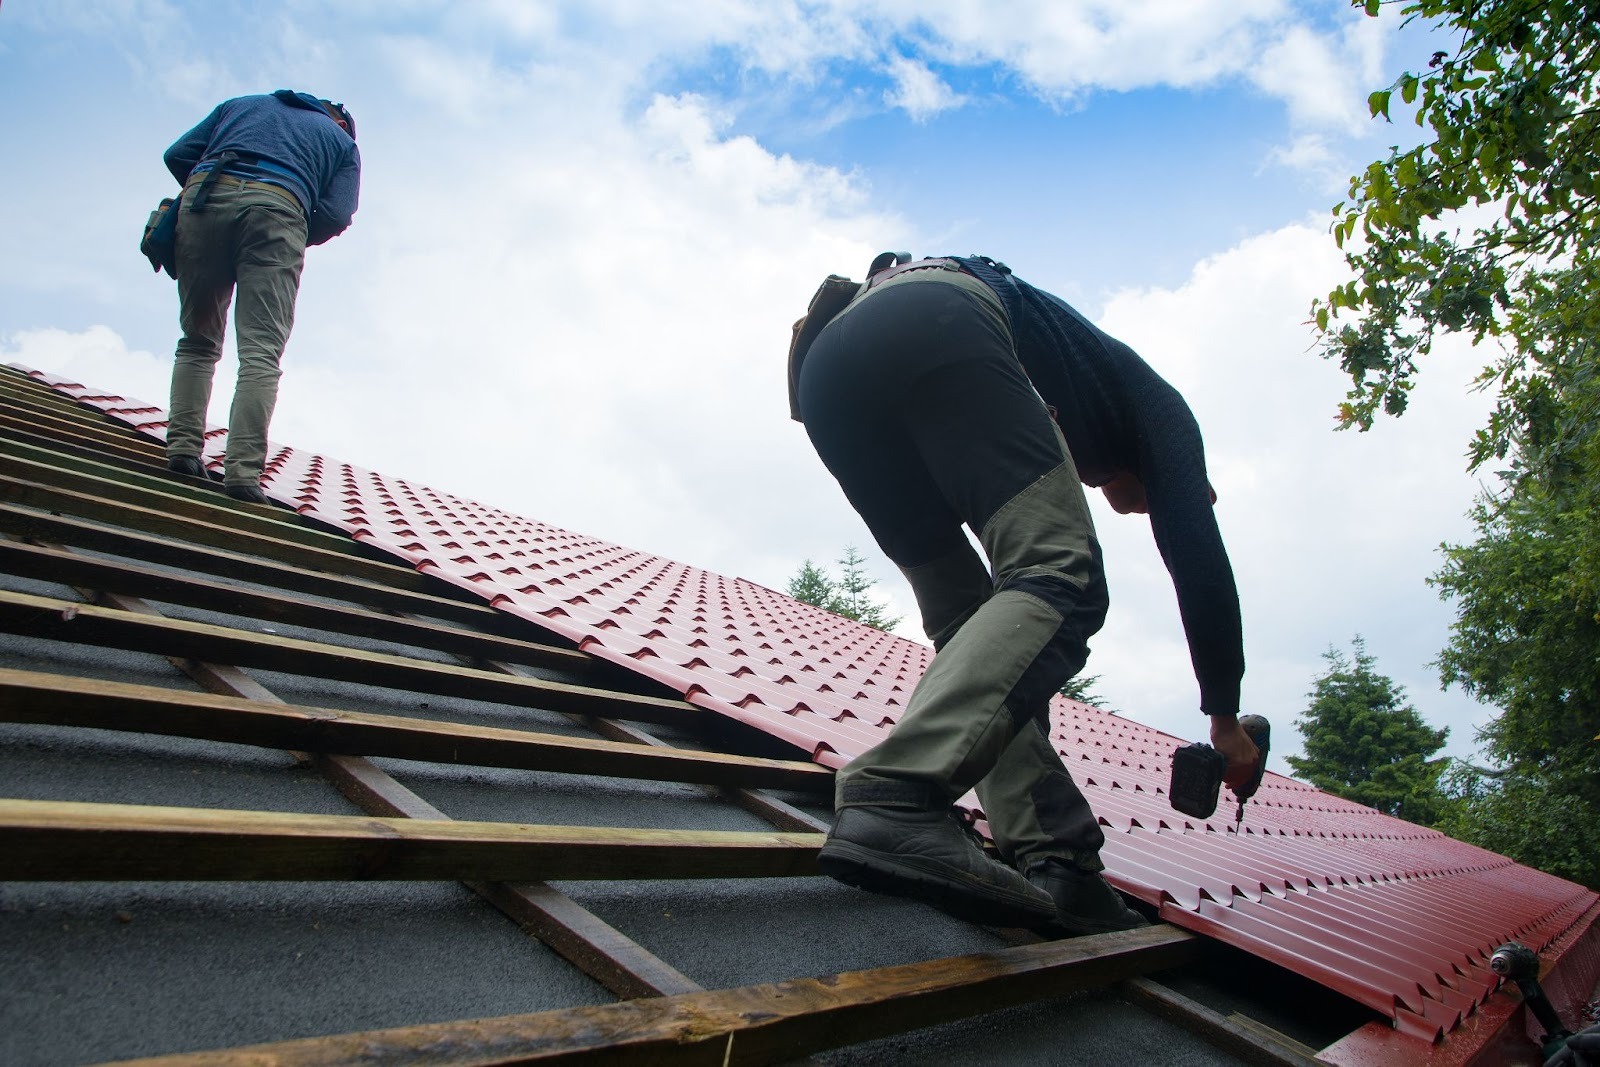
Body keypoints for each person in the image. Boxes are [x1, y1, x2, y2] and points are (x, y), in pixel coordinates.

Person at [790, 253, 1261, 935]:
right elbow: (1197, 553)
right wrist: (1225, 719)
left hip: (829, 375)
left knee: (966, 619)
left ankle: (1057, 858)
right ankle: (897, 790)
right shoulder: (1163, 417)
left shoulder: (1074, 395)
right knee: (1062, 572)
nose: (1136, 506)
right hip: (935, 317)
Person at [161, 91, 361, 503]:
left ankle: (182, 451)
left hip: (203, 199)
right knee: (260, 354)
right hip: (279, 210)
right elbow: (338, 213)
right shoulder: (342, 142)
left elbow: (178, 153)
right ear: (339, 121)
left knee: (197, 341)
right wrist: (295, 225)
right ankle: (242, 475)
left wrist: (213, 190)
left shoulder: (240, 105)